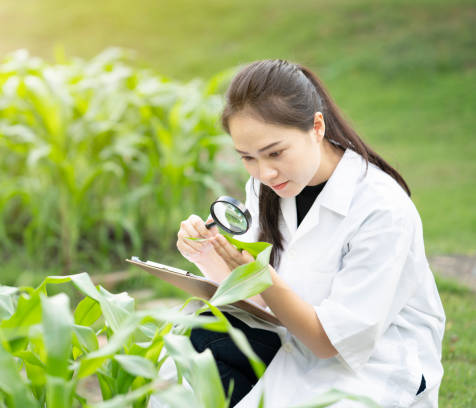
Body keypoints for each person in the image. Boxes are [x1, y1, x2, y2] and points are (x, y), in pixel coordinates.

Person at [175, 59, 445, 407]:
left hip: (371, 365)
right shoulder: (266, 189)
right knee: (187, 353)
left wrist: (259, 275)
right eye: (248, 157)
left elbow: (329, 340)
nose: (265, 172)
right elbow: (260, 301)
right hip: (292, 343)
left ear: (316, 126)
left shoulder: (381, 208)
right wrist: (208, 254)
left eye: (275, 152)